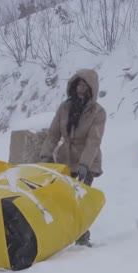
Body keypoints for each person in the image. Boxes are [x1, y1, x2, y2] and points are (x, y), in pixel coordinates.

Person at [39, 68, 106, 247]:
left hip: (88, 161)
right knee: (62, 199)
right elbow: (53, 134)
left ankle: (82, 239)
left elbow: (93, 141)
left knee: (80, 199)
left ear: (92, 88)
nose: (81, 88)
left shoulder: (98, 113)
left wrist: (84, 164)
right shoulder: (65, 108)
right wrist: (45, 155)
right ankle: (62, 234)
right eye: (78, 84)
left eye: (85, 84)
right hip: (66, 160)